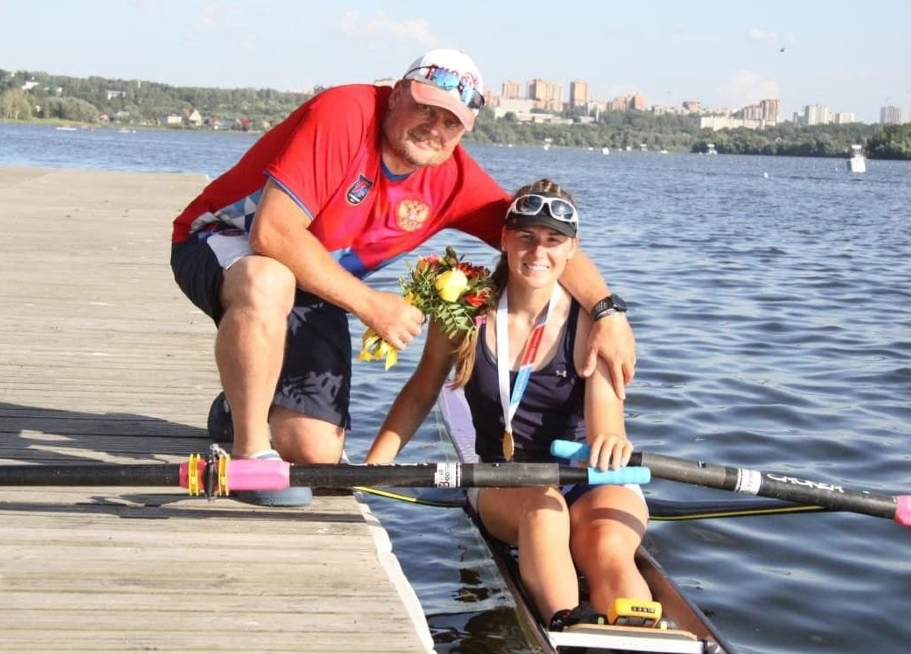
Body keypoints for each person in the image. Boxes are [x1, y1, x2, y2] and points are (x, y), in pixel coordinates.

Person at [170, 48, 634, 487]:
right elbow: (270, 234)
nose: (435, 127)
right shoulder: (345, 112)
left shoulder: (453, 180)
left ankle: (239, 402)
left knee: (315, 456)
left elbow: (539, 244)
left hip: (314, 283)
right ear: (396, 94)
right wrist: (372, 305)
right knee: (268, 279)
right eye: (426, 109)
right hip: (221, 241)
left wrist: (609, 313)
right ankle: (251, 451)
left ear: (464, 131)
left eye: (451, 121)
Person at [365, 179, 651, 628]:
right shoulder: (463, 312)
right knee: (544, 509)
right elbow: (421, 392)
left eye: (554, 241)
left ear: (573, 249)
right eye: (526, 237)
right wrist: (370, 471)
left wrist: (612, 441)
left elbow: (606, 426)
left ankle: (644, 641)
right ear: (503, 239)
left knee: (609, 542)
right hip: (500, 479)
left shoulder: (593, 324)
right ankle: (568, 628)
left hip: (583, 474)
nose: (539, 252)